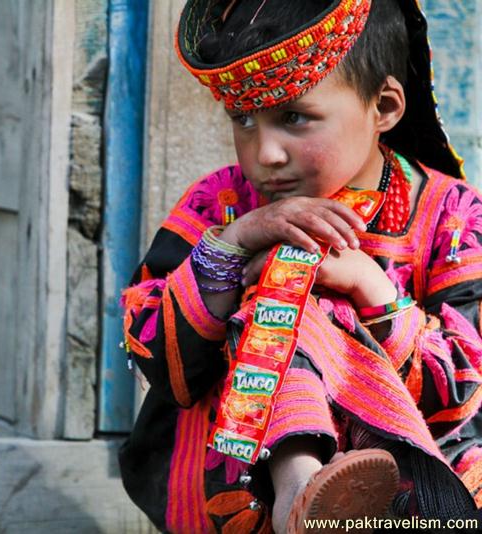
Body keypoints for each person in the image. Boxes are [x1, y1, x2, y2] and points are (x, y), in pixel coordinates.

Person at [118, 0, 482, 532]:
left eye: (293, 117)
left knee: (301, 285)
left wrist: (370, 285)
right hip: (232, 499)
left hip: (411, 501)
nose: (264, 154)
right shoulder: (219, 204)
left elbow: (468, 389)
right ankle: (297, 496)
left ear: (383, 106)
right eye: (243, 119)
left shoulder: (451, 216)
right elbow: (158, 355)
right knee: (287, 280)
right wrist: (234, 245)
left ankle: (311, 497)